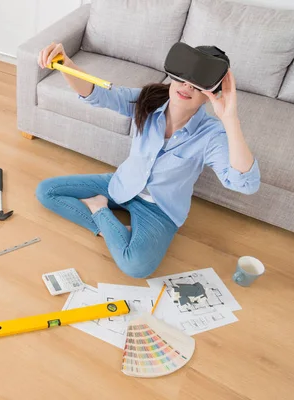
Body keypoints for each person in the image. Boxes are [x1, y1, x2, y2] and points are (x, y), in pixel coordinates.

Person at [35, 42, 261, 279]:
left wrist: (230, 119)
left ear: (210, 96)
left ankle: (98, 207)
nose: (186, 87)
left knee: (136, 266)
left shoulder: (212, 135)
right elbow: (99, 94)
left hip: (160, 209)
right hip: (122, 184)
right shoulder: (148, 100)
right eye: (183, 78)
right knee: (46, 191)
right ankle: (113, 226)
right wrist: (65, 64)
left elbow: (245, 184)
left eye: (197, 86)